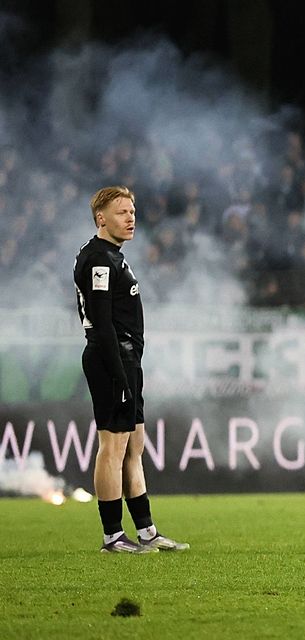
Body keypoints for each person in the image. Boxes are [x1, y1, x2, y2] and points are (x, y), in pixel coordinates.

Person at [73, 186, 189, 554]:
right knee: (113, 446)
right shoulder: (99, 259)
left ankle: (147, 531)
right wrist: (120, 375)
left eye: (133, 211)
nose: (131, 218)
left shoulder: (113, 256)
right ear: (101, 219)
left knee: (134, 444)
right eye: (122, 212)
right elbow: (103, 323)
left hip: (127, 359)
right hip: (111, 358)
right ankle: (112, 536)